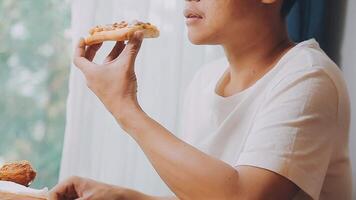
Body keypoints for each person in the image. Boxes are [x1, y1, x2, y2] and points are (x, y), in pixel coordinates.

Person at [49, 0, 352, 199]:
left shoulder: (308, 76)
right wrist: (125, 197)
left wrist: (123, 106)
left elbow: (242, 196)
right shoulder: (203, 82)